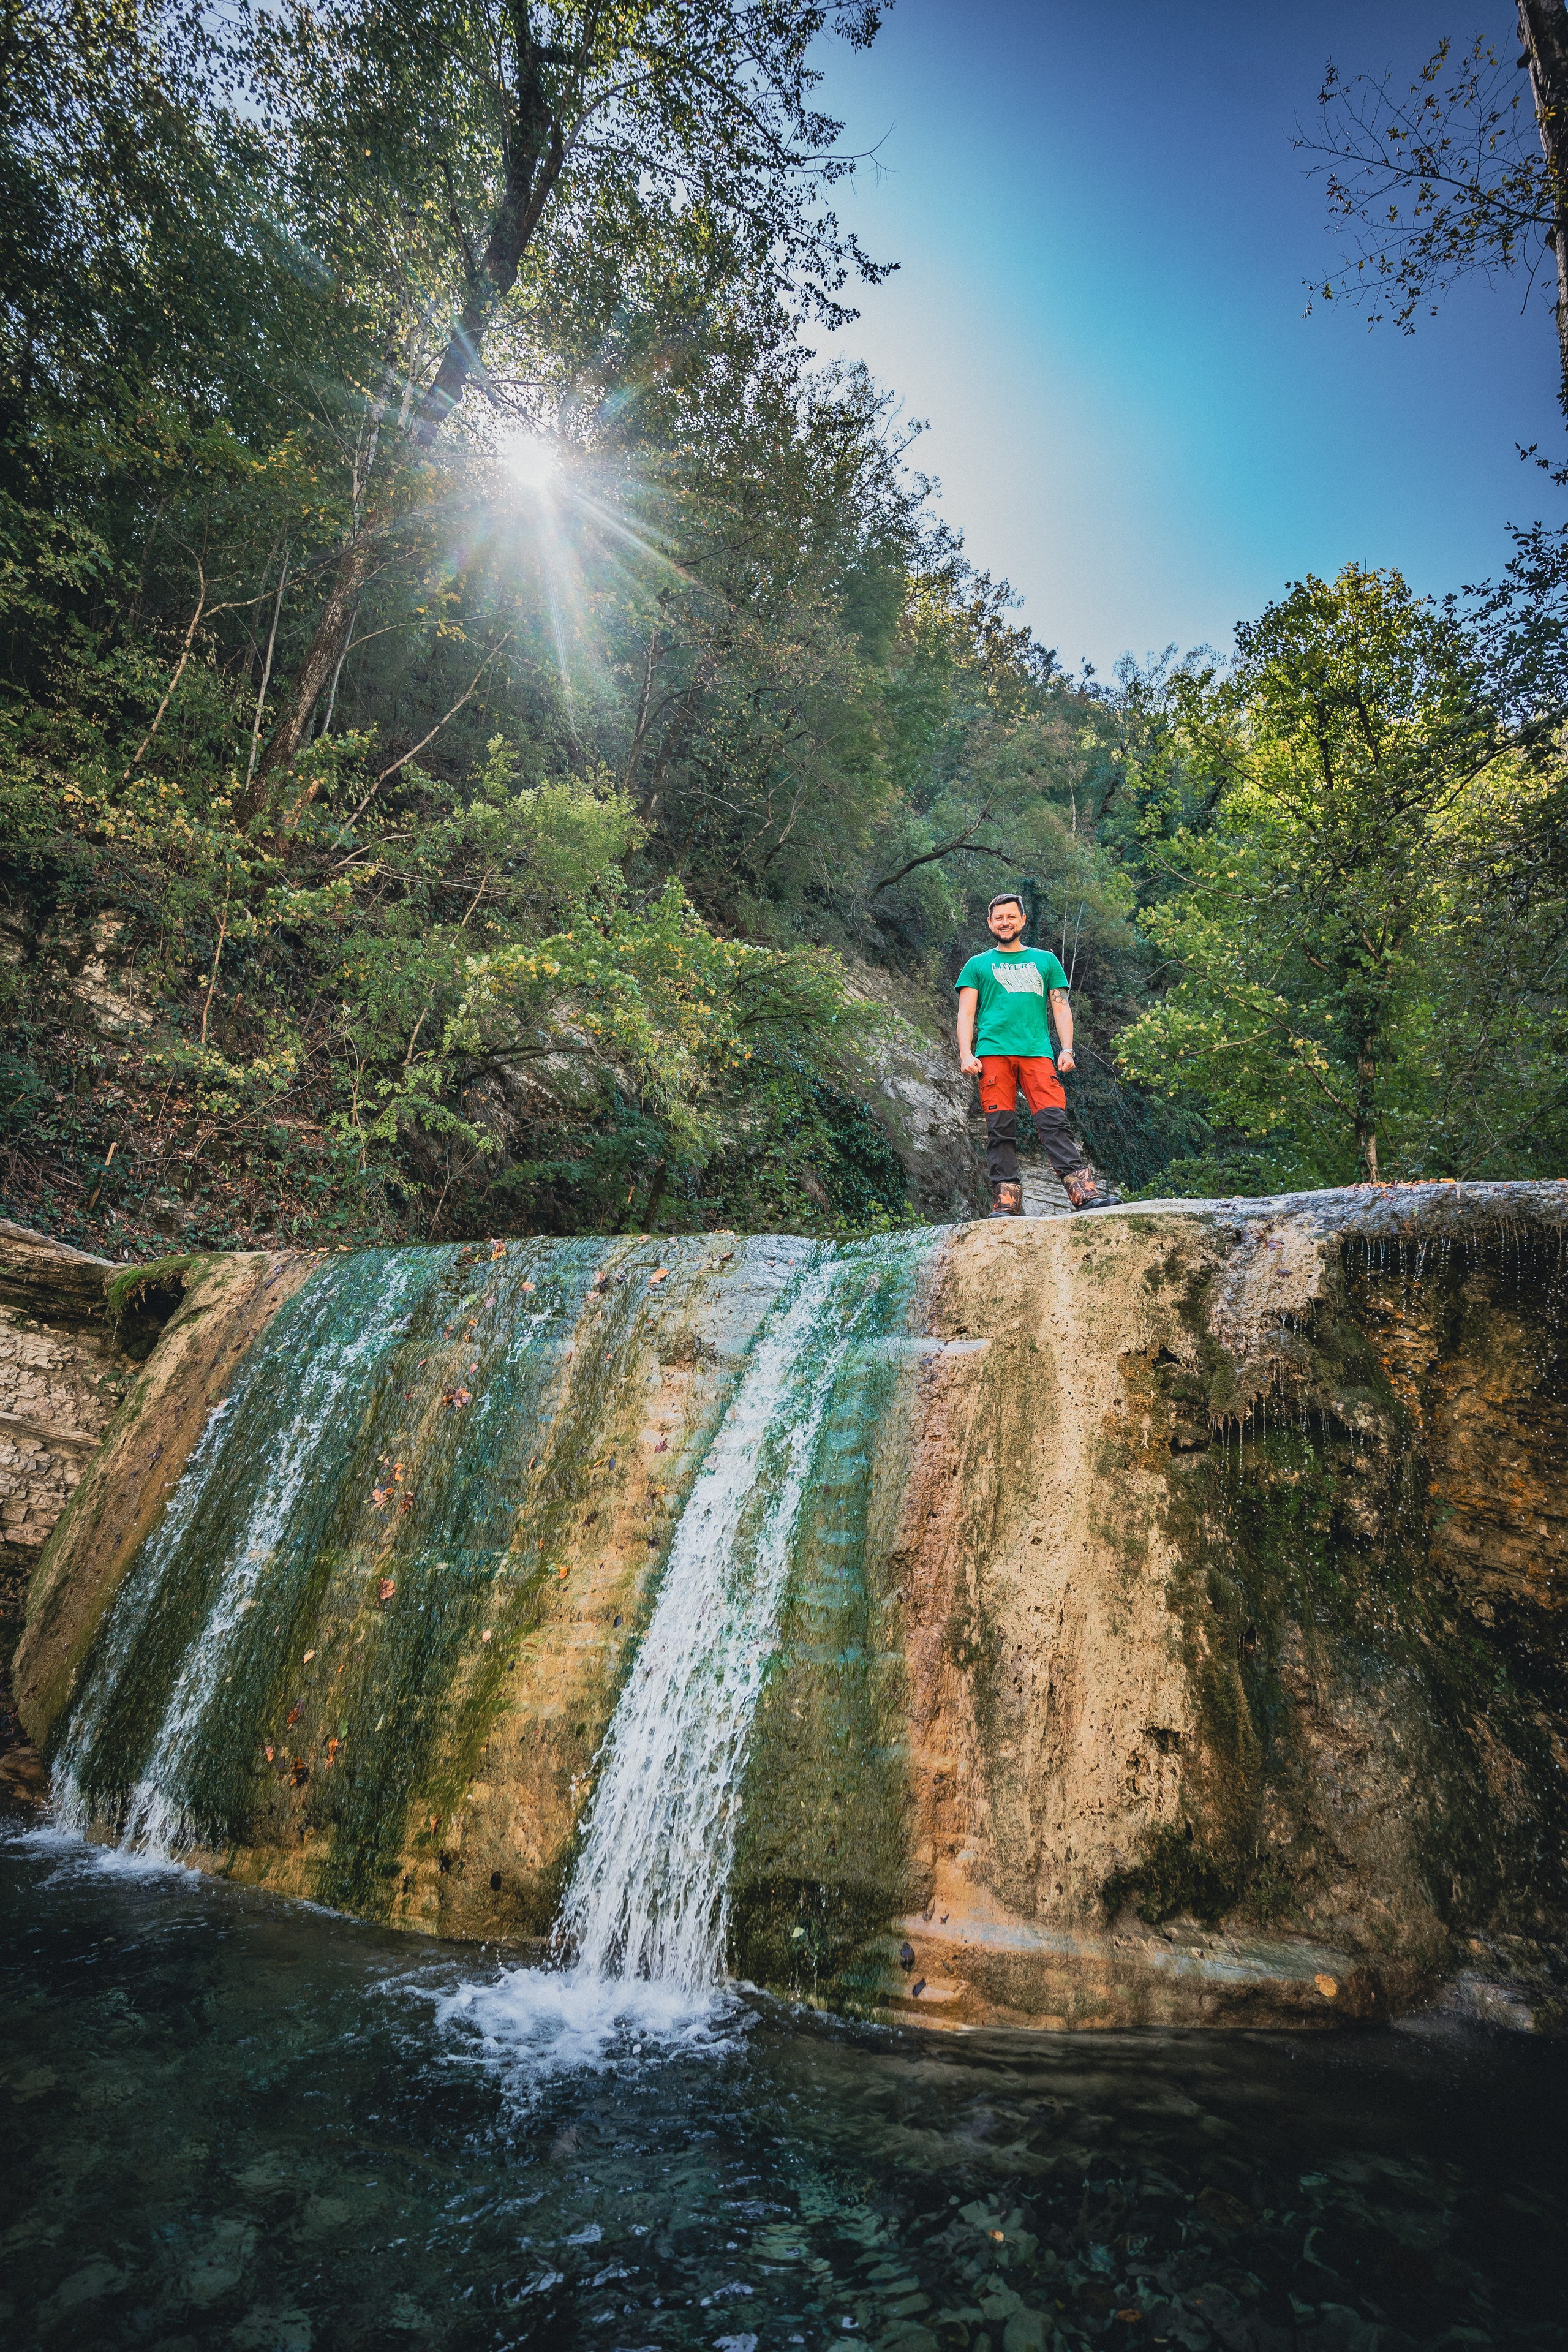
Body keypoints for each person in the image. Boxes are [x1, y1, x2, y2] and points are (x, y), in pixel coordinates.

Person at [955, 893, 1121, 1217]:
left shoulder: (1045, 960)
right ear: (989, 923)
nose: (1005, 922)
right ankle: (1006, 1205)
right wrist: (965, 1053)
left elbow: (1061, 1007)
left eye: (1011, 917)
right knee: (999, 1128)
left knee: (1054, 1122)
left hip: (1038, 1054)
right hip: (993, 1055)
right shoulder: (977, 965)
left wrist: (1067, 1048)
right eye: (999, 918)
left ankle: (1085, 1196)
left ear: (1023, 920)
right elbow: (966, 1013)